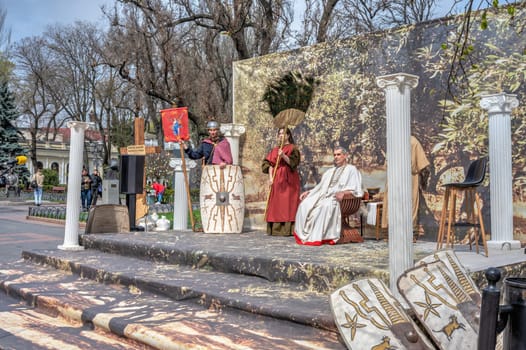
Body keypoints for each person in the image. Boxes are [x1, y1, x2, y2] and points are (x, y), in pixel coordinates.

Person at [294, 147, 363, 246]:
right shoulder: (330, 171)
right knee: (304, 205)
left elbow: (356, 188)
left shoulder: (351, 169)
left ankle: (321, 237)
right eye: (334, 155)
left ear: (345, 156)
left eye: (338, 154)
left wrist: (344, 193)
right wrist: (309, 192)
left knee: (324, 206)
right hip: (323, 196)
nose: (336, 157)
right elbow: (320, 187)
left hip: (339, 200)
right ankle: (304, 235)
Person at [381, 135, 431, 239]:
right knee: (407, 204)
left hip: (406, 177)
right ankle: (405, 234)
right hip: (401, 177)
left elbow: (387, 164)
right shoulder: (410, 141)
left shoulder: (406, 141)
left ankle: (401, 234)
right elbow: (422, 165)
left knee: (405, 204)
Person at [262, 128, 301, 236]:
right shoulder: (275, 150)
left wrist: (283, 156)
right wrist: (270, 178)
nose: (281, 136)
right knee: (276, 204)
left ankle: (288, 229)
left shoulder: (293, 148)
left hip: (289, 180)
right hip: (276, 179)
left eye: (283, 133)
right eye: (279, 134)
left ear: (288, 135)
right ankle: (275, 229)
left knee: (288, 204)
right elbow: (269, 164)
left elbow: (294, 163)